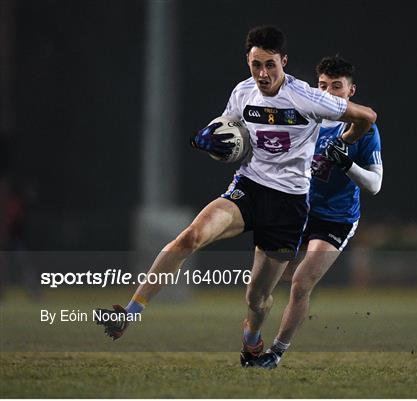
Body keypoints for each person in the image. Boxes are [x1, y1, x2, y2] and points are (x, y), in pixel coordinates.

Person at [95, 27, 377, 368]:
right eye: (256, 65)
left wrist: (345, 141)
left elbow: (367, 117)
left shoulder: (308, 97)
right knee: (190, 236)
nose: (263, 74)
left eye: (270, 65)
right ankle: (131, 312)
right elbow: (227, 130)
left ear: (283, 62)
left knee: (257, 300)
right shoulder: (243, 93)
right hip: (249, 188)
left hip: (288, 205)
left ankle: (252, 340)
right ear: (248, 61)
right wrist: (206, 139)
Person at [253, 56, 383, 369]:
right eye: (323, 85)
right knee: (261, 284)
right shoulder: (302, 117)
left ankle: (276, 352)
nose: (328, 92)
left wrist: (347, 164)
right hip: (299, 209)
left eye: (336, 87)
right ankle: (251, 339)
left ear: (351, 91)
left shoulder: (363, 129)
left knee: (301, 282)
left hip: (336, 217)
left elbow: (375, 184)